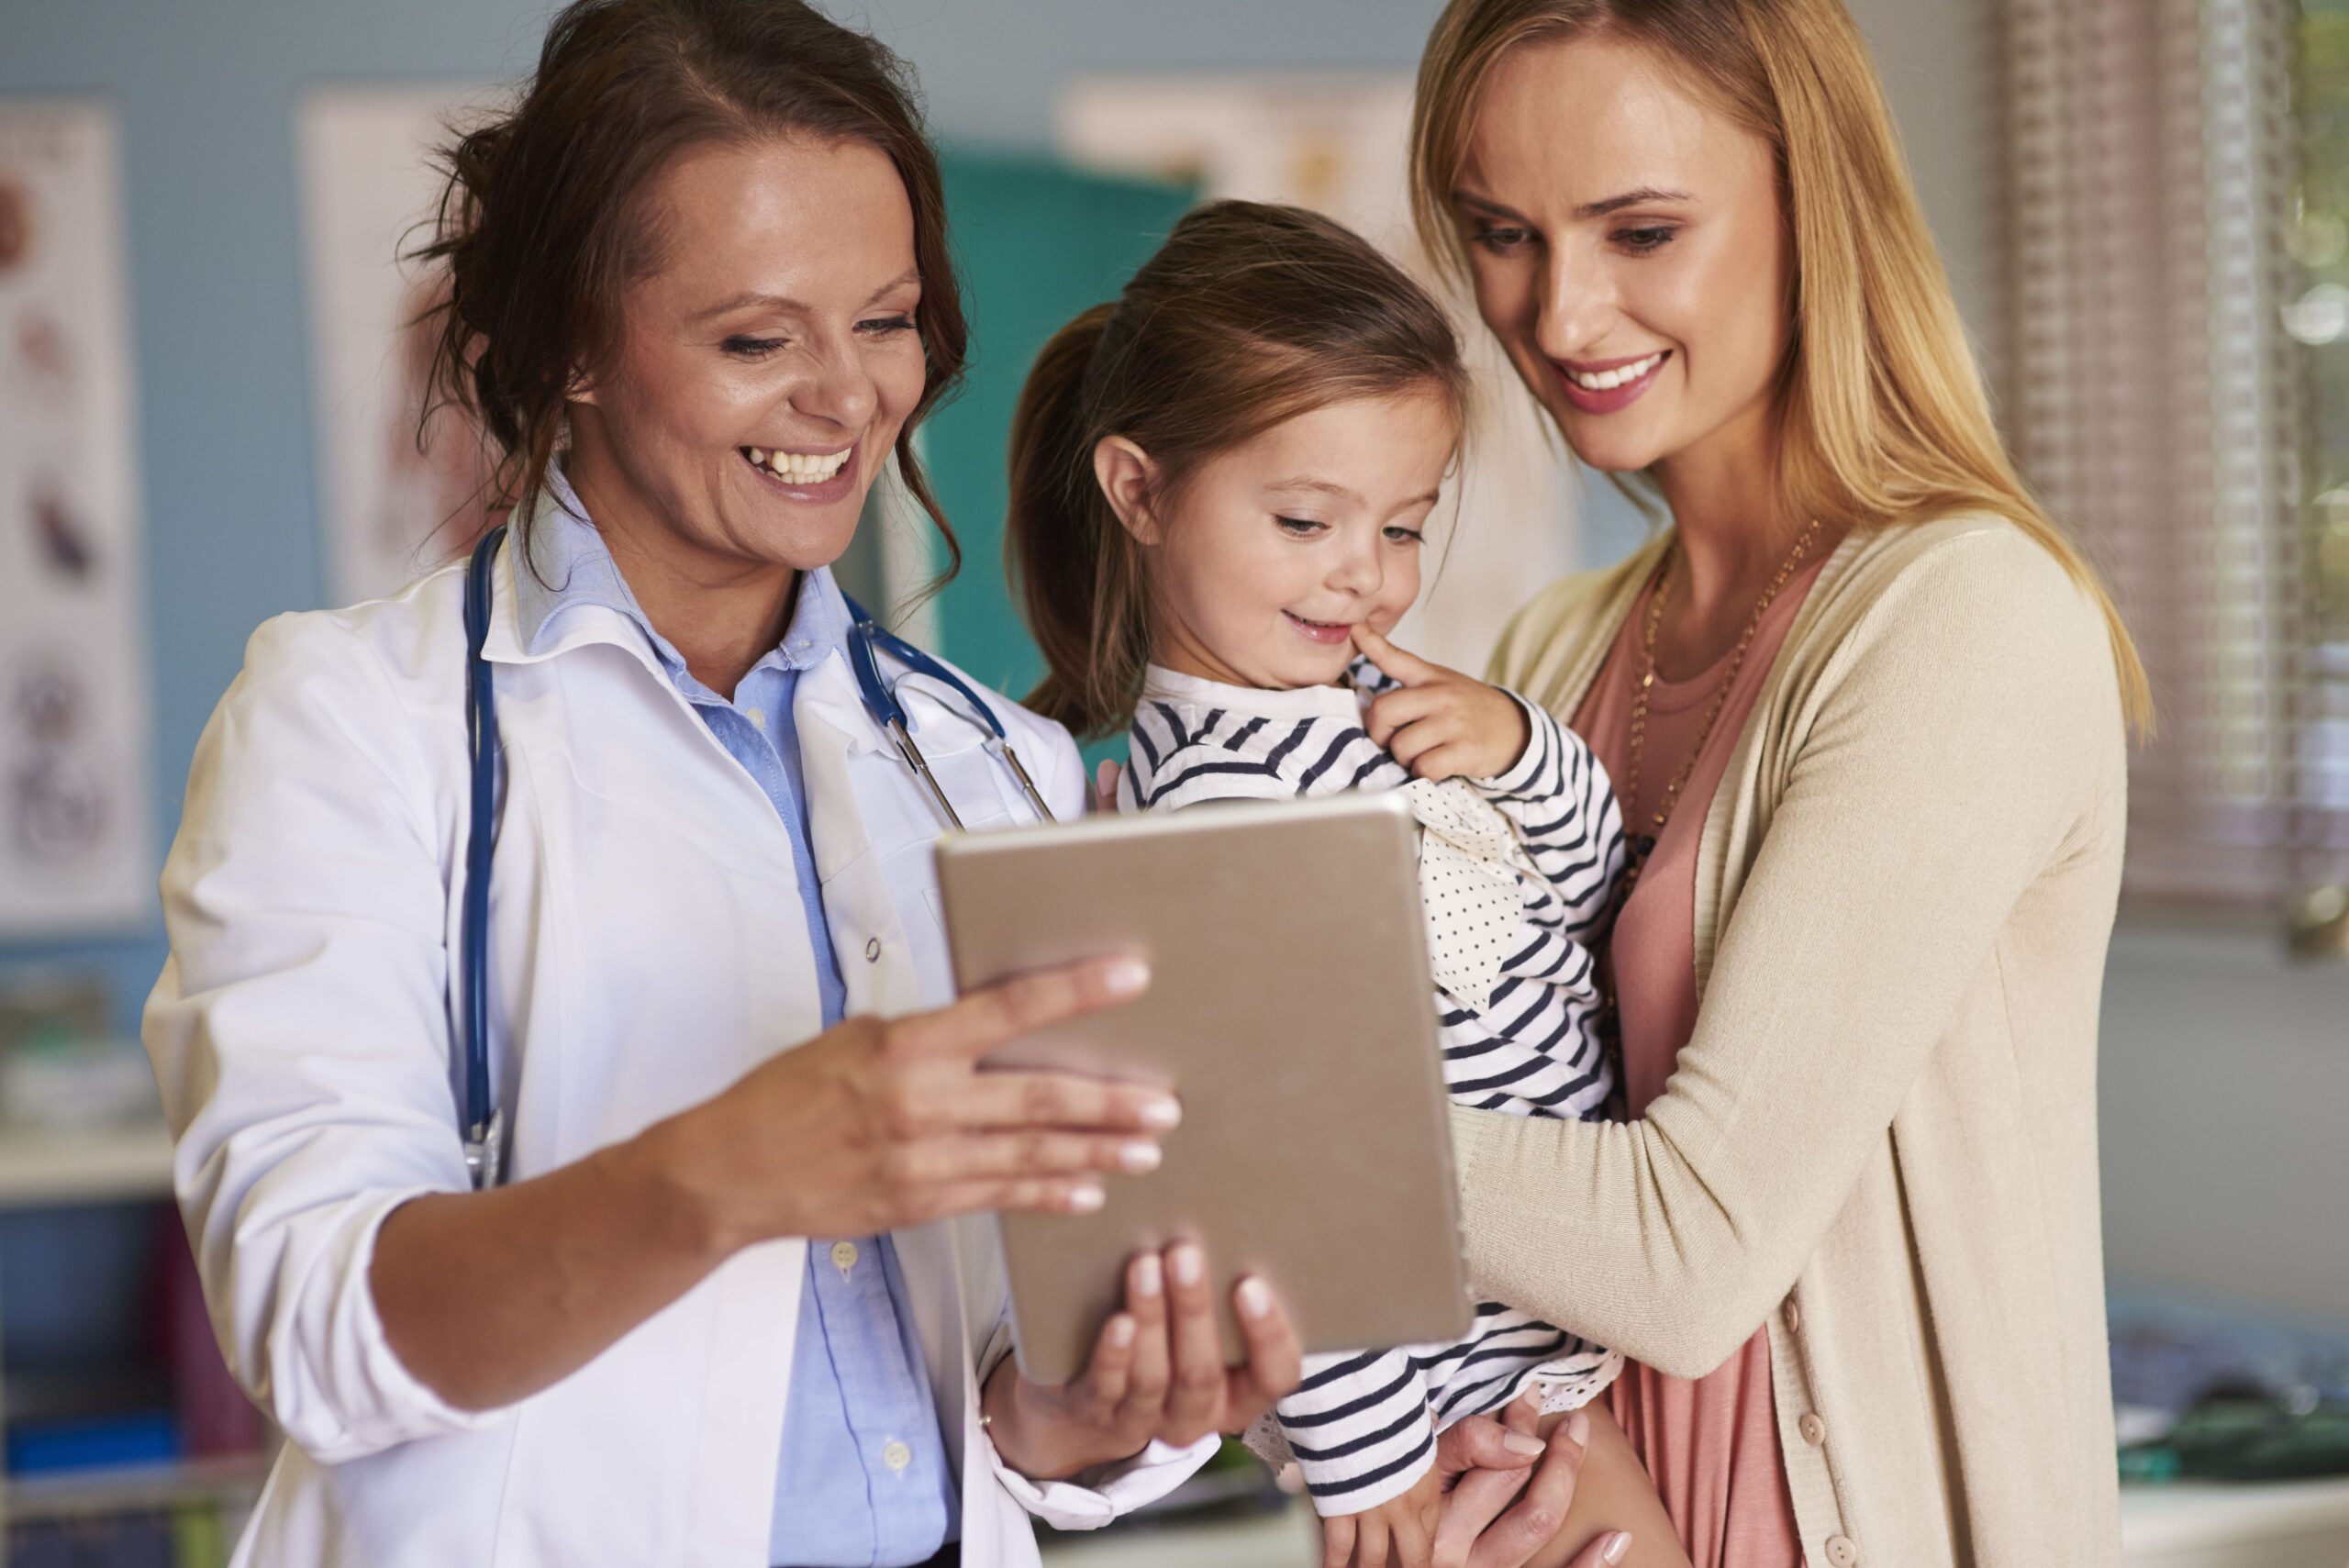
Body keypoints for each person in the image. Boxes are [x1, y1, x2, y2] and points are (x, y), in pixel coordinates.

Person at [140, 4, 1313, 1562]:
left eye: (885, 320)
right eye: (758, 338)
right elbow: (313, 1323)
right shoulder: (351, 722)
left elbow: (995, 1390)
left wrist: (1091, 1418)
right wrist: (718, 1174)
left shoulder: (993, 763)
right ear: (569, 343)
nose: (846, 399)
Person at [1407, 1, 2148, 1563]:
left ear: (1815, 201)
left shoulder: (1966, 615)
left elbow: (1689, 1249)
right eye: (1504, 235)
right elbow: (1490, 1151)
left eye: (1643, 228)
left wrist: (1250, 1129)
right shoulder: (1554, 650)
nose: (1561, 311)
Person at [1005, 199, 1674, 1568]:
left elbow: (1602, 912)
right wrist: (1374, 1466)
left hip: (1561, 1347)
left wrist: (1522, 746)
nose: (1363, 575)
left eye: (1405, 526)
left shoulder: (1386, 710)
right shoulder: (1207, 821)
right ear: (1139, 490)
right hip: (1443, 1415)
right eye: (1306, 520)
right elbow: (1269, 1173)